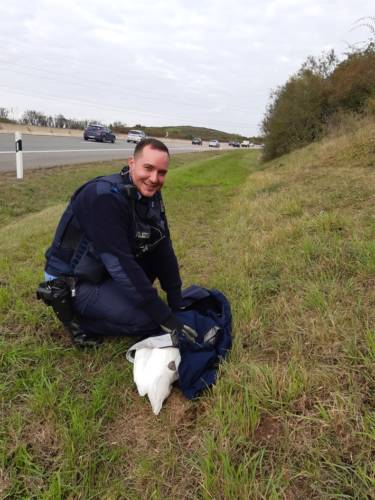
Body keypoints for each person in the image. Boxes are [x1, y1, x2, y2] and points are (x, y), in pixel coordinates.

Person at [37, 138, 197, 347]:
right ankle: (79, 319)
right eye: (148, 168)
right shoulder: (103, 198)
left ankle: (113, 302)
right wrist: (165, 318)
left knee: (155, 252)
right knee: (149, 321)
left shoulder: (149, 193)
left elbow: (163, 245)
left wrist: (176, 301)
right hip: (73, 280)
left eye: (162, 173)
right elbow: (121, 265)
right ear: (132, 163)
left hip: (101, 267)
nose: (154, 178)